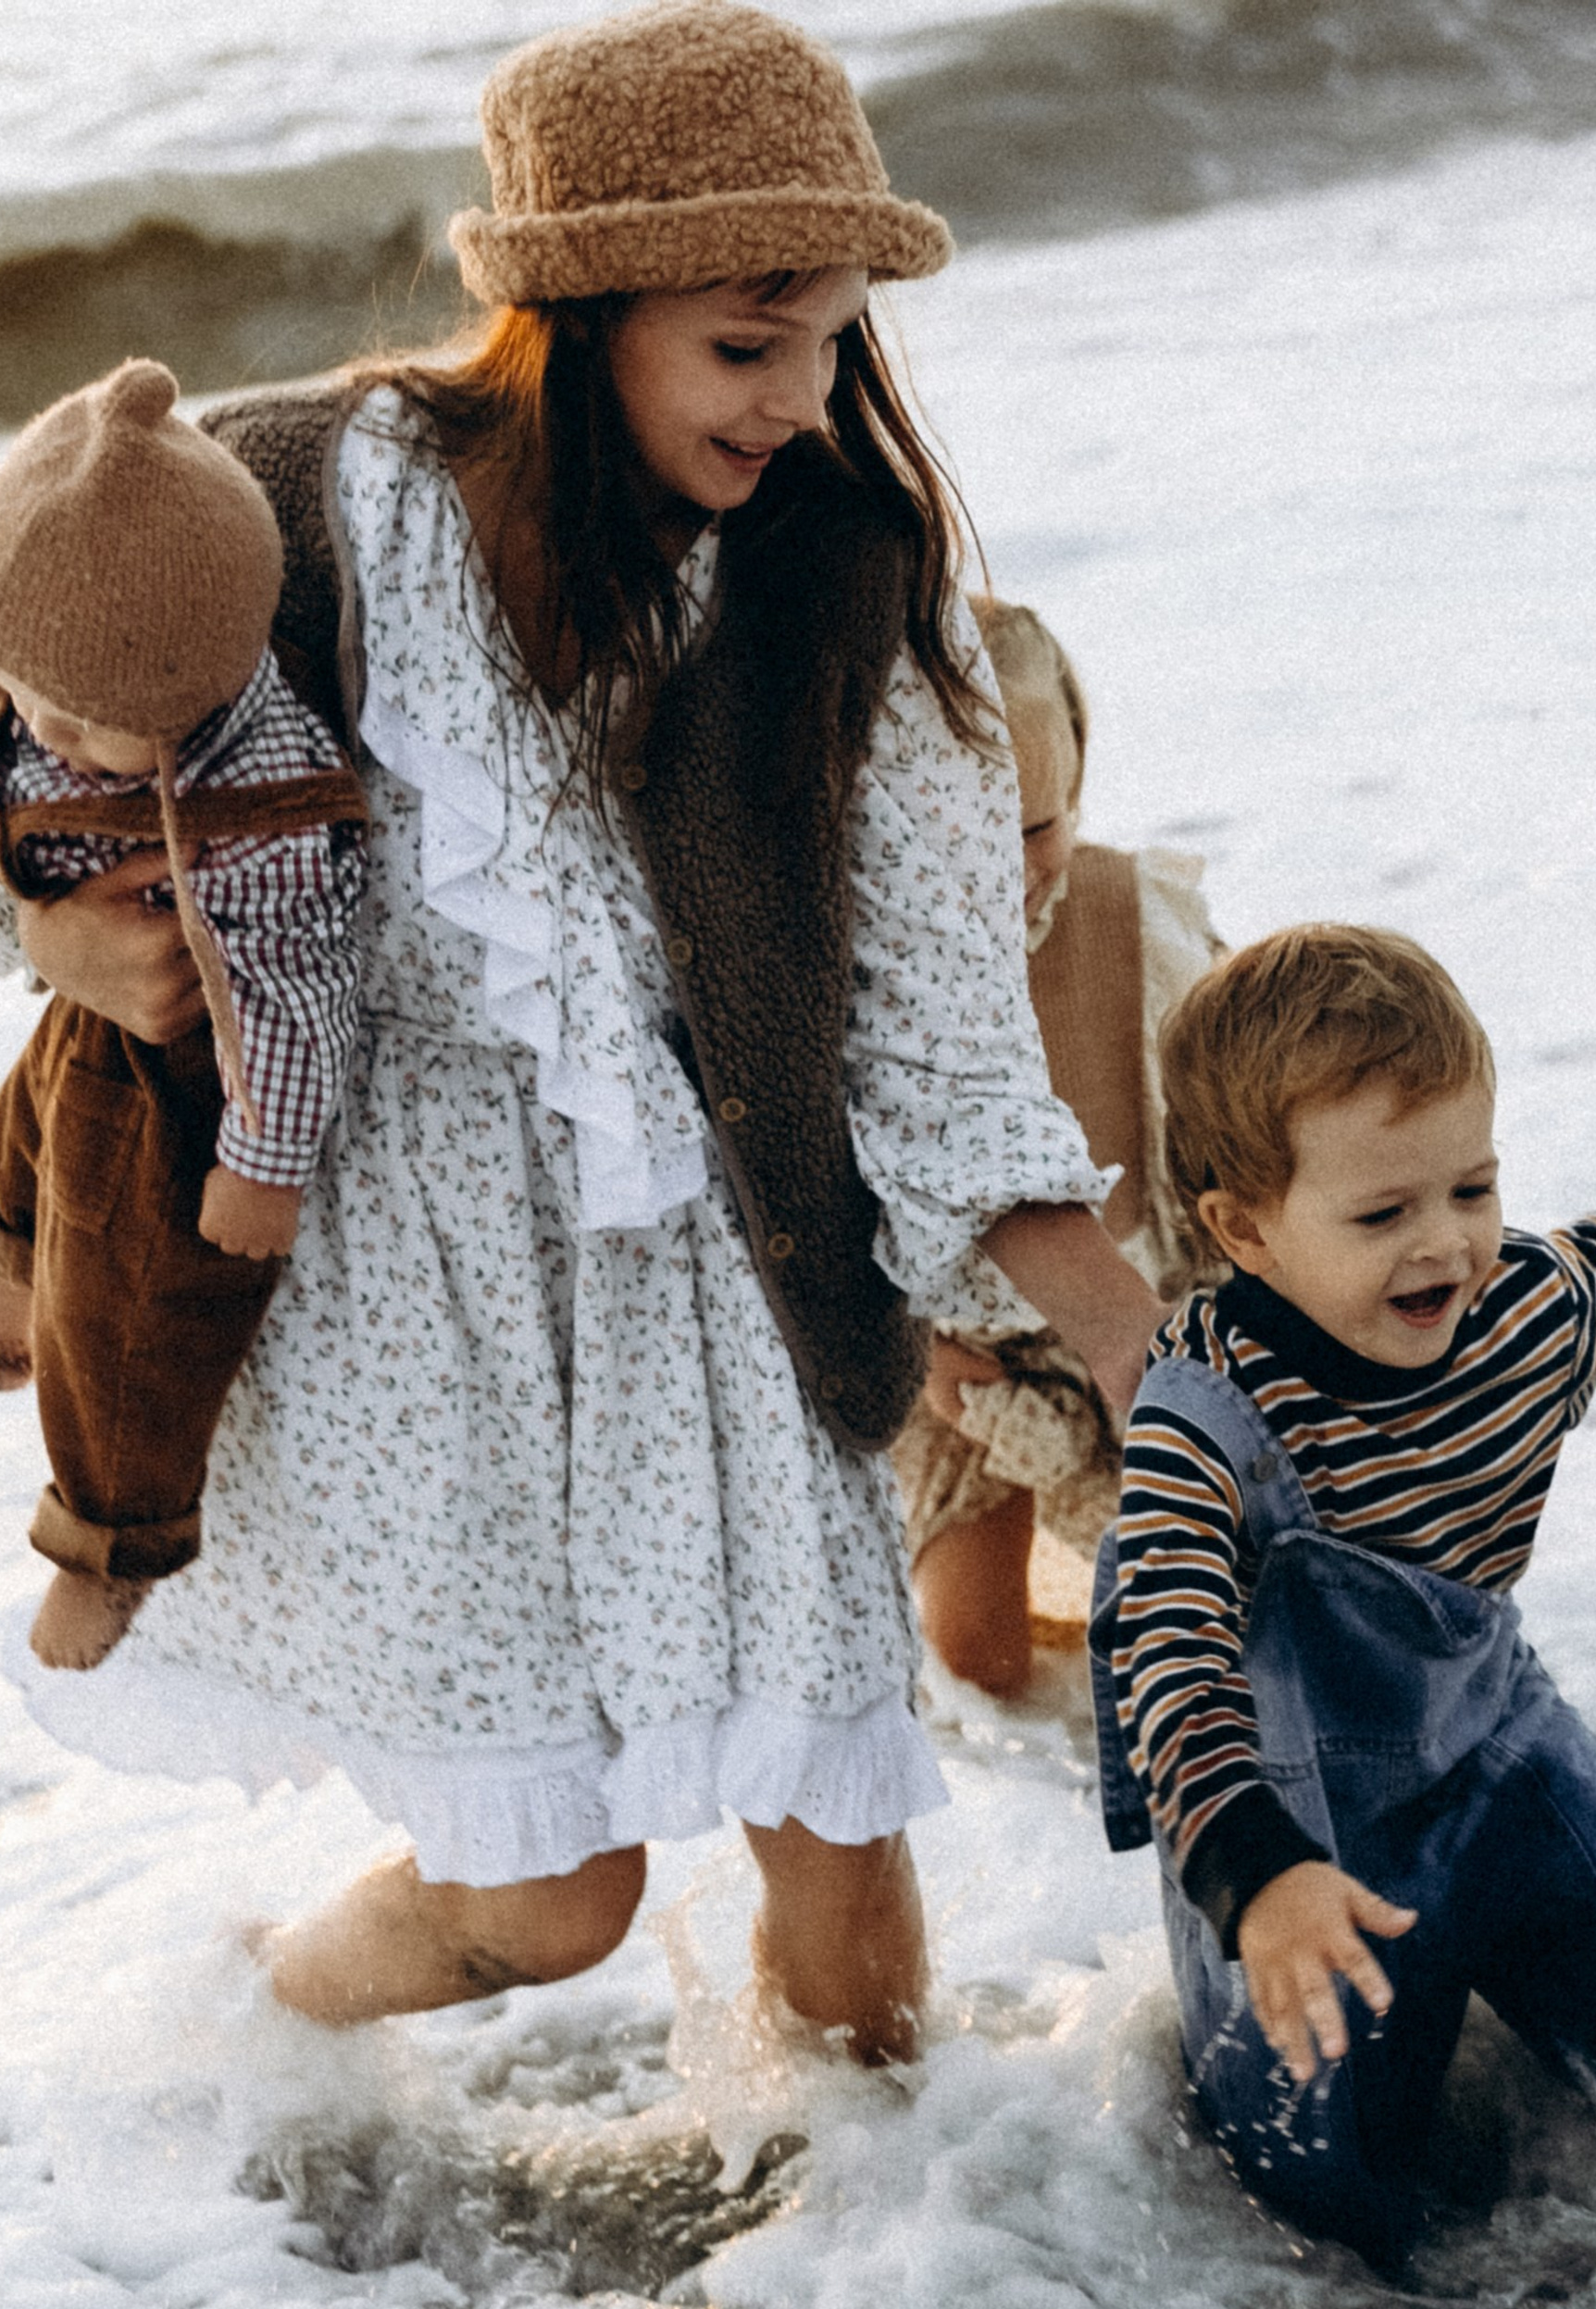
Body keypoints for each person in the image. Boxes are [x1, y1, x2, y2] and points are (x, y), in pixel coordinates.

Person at [1, 1, 1160, 2057]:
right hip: (385, 1293)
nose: (804, 402)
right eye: (745, 342)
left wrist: (1130, 1335)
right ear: (575, 308)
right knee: (550, 1905)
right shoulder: (275, 497)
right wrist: (60, 941)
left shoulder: (842, 582)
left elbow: (935, 1025)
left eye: (831, 341)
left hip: (720, 1264)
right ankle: (243, 2054)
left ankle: (902, 2288)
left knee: (833, 1801)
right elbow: (35, 734)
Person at [1090, 924, 1596, 2264]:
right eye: (1382, 1214)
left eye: (1473, 1187)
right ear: (1244, 1230)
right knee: (1326, 2198)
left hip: (1501, 1753)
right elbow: (1168, 1657)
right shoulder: (1205, 1421)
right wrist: (1254, 1869)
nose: (1448, 1247)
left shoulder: (1527, 1311)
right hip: (1291, 1819)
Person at [0, 360, 368, 1673]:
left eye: (86, 721)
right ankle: (5, 1271)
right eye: (27, 689)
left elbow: (299, 996)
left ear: (196, 694)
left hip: (196, 1083)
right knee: (20, 1133)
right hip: (82, 1021)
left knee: (137, 1304)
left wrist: (265, 1164)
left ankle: (115, 1532)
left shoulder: (266, 800)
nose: (45, 728)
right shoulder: (55, 672)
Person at [893, 598, 1218, 1695]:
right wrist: (924, 1368)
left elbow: (1269, 1122)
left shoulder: (1142, 928)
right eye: (962, 833)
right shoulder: (863, 967)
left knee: (1221, 1605)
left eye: (1034, 828)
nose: (1001, 869)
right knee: (974, 1656)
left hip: (1134, 1316)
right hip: (957, 1354)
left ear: (1075, 795)